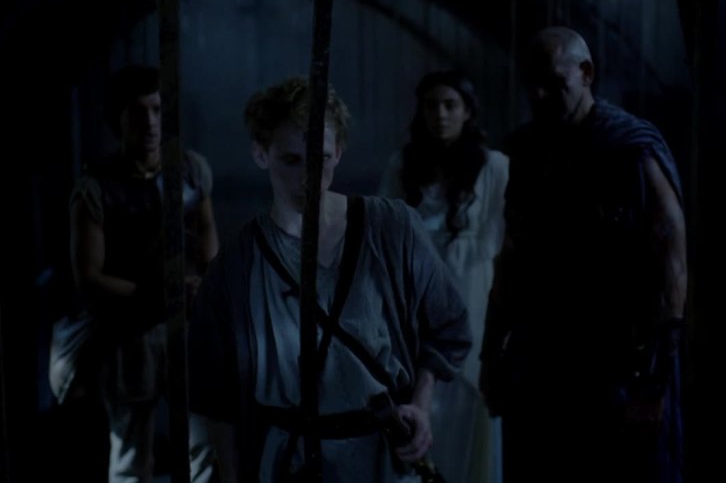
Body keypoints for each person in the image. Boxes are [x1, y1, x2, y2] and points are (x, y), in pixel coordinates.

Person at [187, 77, 472, 482]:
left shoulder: (391, 229)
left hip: (379, 458)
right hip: (289, 462)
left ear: (338, 151)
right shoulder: (237, 267)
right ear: (260, 153)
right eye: (291, 160)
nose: (308, 175)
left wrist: (421, 406)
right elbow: (214, 396)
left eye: (319, 157)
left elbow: (449, 326)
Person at [480, 26, 687, 482]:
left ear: (586, 73)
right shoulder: (526, 152)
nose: (539, 94)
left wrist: (653, 383)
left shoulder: (629, 148)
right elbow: (511, 259)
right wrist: (491, 355)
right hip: (543, 360)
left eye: (553, 82)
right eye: (531, 83)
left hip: (615, 361)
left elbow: (670, 263)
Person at [69, 64, 219, 482]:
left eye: (156, 109)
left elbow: (209, 246)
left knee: (204, 448)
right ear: (119, 119)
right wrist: (156, 294)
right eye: (137, 112)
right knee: (133, 458)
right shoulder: (96, 187)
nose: (150, 123)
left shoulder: (190, 170)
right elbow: (89, 278)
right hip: (129, 336)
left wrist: (202, 289)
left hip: (185, 328)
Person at [378, 70, 508, 483]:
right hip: (414, 309)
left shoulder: (493, 167)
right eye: (432, 105)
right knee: (417, 414)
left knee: (467, 424)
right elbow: (381, 237)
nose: (440, 114)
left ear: (467, 111)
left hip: (472, 303)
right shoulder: (403, 166)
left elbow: (506, 244)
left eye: (450, 105)